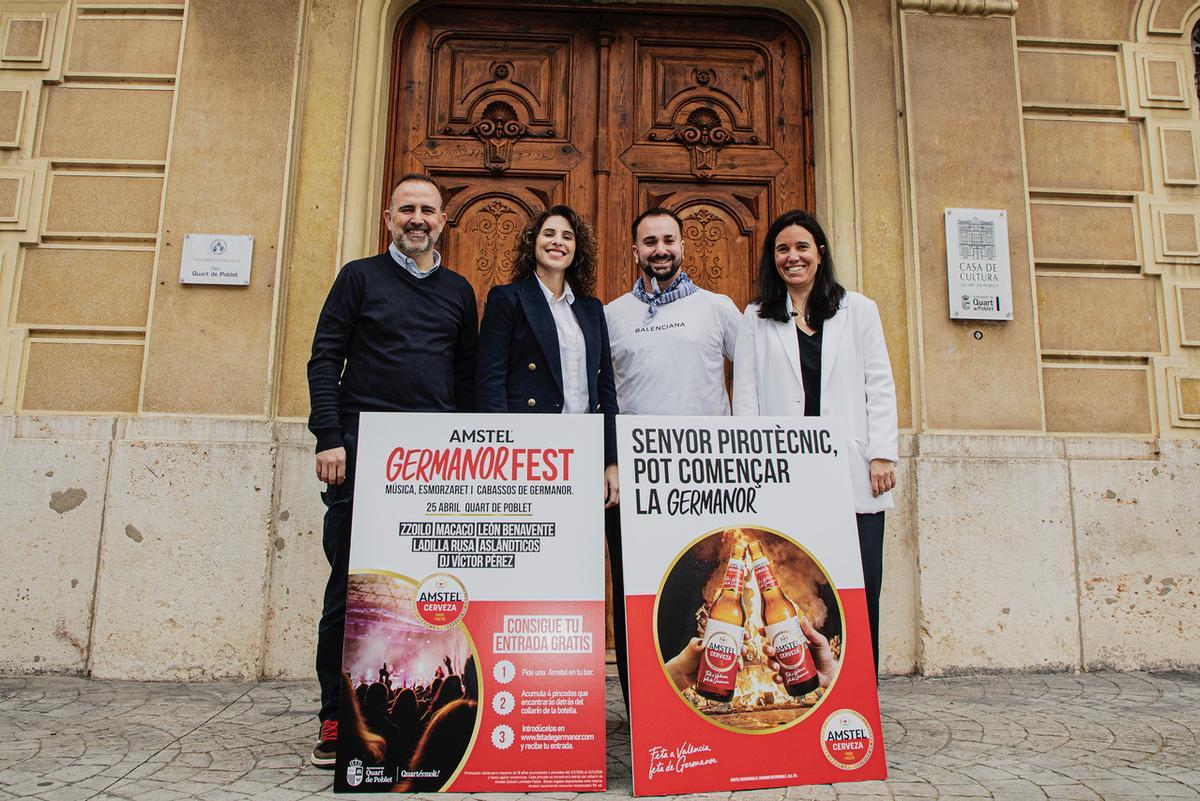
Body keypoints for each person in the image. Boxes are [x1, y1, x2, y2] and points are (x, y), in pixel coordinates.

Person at [306, 173, 478, 767]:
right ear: (388, 218)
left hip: (433, 463)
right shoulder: (359, 277)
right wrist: (329, 437)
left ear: (442, 220)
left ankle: (426, 708)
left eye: (428, 209)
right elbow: (325, 356)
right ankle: (336, 716)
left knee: (427, 592)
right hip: (361, 456)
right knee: (348, 592)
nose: (417, 218)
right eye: (407, 208)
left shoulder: (459, 291)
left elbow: (465, 379)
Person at [732, 209, 898, 677]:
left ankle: (861, 682)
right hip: (786, 474)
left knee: (861, 584)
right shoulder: (756, 318)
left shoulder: (859, 310)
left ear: (820, 253)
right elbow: (744, 397)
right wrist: (749, 468)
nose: (793, 257)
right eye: (783, 249)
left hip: (850, 468)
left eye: (802, 247)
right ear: (773, 259)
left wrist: (882, 453)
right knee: (796, 582)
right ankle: (802, 680)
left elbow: (879, 384)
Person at [475, 204, 619, 500]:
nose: (557, 241)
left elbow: (605, 390)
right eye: (549, 233)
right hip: (527, 451)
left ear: (576, 250)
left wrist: (611, 460)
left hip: (583, 448)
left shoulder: (591, 309)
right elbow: (490, 381)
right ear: (533, 243)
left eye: (567, 236)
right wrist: (499, 451)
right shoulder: (508, 299)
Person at [604, 207, 741, 415]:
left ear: (682, 248)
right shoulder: (611, 314)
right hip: (632, 445)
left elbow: (757, 368)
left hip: (705, 445)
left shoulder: (717, 307)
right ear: (635, 252)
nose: (661, 250)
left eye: (669, 241)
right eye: (650, 242)